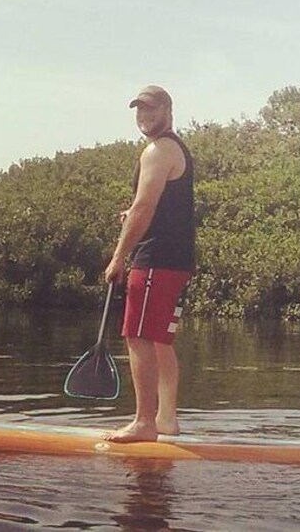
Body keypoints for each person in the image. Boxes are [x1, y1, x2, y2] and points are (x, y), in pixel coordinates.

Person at [104, 85, 196, 443]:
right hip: (178, 260)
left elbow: (144, 208)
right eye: (139, 110)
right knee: (159, 340)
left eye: (151, 109)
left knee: (138, 337)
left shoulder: (158, 150)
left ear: (168, 110)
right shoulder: (176, 148)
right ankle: (166, 419)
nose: (144, 116)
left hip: (156, 260)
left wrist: (118, 257)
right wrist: (135, 215)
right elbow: (160, 206)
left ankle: (144, 423)